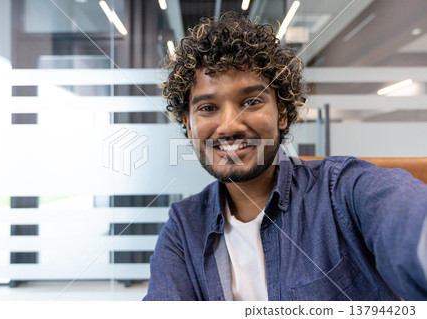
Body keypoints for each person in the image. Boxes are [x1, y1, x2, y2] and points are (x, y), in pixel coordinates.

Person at [143, 11, 427, 301]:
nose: (229, 125)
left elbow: (408, 219)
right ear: (189, 125)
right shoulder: (184, 228)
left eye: (251, 101)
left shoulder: (341, 189)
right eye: (207, 108)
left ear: (281, 113)